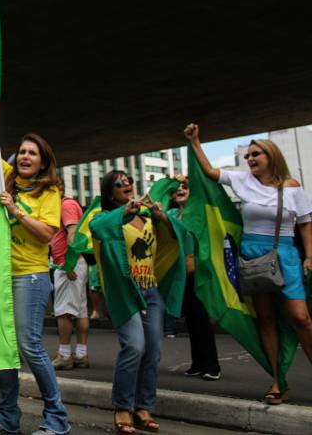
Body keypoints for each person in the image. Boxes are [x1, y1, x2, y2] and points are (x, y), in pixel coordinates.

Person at [185, 124, 312, 403]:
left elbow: (305, 224)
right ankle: (277, 382)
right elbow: (209, 172)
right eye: (248, 155)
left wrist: (310, 256)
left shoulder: (293, 188)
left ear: (271, 156)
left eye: (256, 154)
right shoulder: (243, 181)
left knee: (301, 319)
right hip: (252, 256)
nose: (251, 159)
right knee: (265, 320)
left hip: (286, 254)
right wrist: (195, 141)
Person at [0, 126, 71, 434]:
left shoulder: (49, 191)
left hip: (30, 277)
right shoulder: (7, 179)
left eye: (33, 153)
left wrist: (15, 210)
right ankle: (7, 418)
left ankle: (57, 419)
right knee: (5, 348)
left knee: (29, 346)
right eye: (22, 152)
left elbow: (47, 232)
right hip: (1, 275)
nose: (25, 157)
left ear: (43, 162)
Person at [90, 170, 185, 434]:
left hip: (151, 291)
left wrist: (162, 216)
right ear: (111, 192)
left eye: (130, 181)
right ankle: (123, 407)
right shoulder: (107, 219)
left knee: (153, 351)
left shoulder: (147, 217)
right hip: (124, 293)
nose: (127, 185)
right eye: (120, 183)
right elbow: (96, 229)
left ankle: (144, 407)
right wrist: (125, 212)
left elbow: (178, 236)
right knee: (134, 346)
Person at [167, 179, 221, 380]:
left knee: (201, 318)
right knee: (190, 319)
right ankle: (197, 363)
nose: (180, 190)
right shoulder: (172, 214)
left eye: (185, 187)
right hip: (179, 276)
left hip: (198, 273)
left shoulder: (199, 214)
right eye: (177, 189)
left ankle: (212, 366)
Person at [51, 186, 90, 370]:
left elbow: (72, 234)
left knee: (64, 311)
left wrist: (68, 263)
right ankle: (81, 354)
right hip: (76, 263)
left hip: (69, 264)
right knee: (80, 310)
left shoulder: (66, 205)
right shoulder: (68, 204)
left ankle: (65, 355)